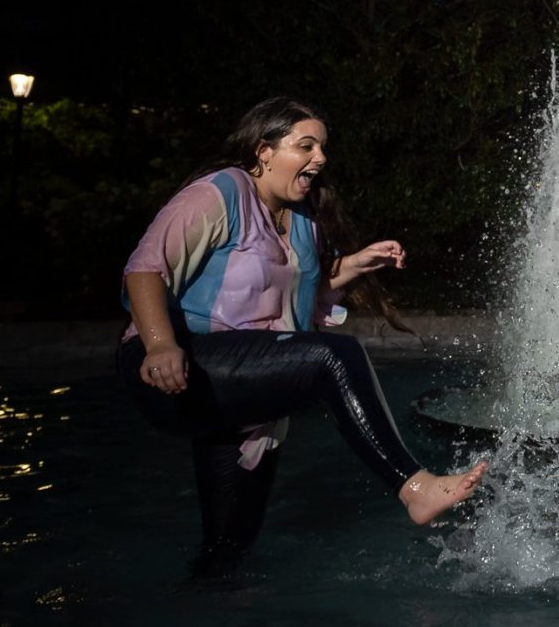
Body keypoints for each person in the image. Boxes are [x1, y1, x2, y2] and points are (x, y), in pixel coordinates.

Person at [117, 97, 486, 578]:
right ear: (263, 149)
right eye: (305, 145)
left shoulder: (302, 220)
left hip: (242, 386)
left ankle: (213, 597)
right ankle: (415, 488)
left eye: (323, 148)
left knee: (229, 546)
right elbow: (144, 270)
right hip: (177, 366)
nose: (321, 158)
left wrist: (354, 265)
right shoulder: (219, 191)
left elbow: (297, 298)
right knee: (335, 356)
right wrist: (160, 344)